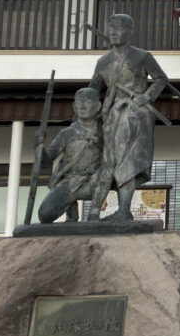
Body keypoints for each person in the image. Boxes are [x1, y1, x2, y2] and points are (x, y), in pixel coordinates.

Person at [88, 14, 170, 222]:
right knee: (107, 163)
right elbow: (93, 90)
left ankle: (124, 209)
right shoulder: (103, 61)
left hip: (135, 114)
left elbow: (161, 79)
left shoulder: (142, 56)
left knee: (129, 163)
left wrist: (146, 96)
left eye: (119, 28)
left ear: (130, 31)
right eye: (111, 28)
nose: (114, 32)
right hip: (111, 116)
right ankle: (94, 211)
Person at [35, 87, 104, 223]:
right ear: (74, 106)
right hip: (71, 181)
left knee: (106, 176)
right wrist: (38, 147)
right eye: (79, 102)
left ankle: (94, 214)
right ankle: (72, 213)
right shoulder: (66, 133)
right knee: (45, 215)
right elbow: (46, 162)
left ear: (98, 106)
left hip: (97, 180)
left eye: (88, 102)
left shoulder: (105, 130)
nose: (82, 107)